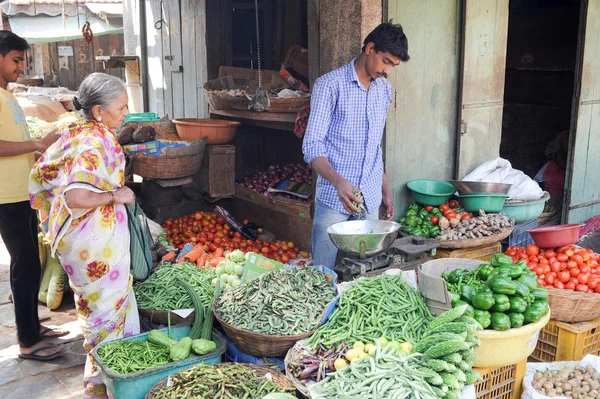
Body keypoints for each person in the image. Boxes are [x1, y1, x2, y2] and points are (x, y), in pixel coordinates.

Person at [29, 73, 140, 398]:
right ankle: (102, 387)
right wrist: (115, 196)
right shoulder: (96, 141)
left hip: (82, 243)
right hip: (95, 246)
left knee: (97, 315)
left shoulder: (76, 131)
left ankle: (107, 383)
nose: (125, 112)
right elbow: (77, 197)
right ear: (97, 111)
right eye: (121, 107)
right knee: (105, 320)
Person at [302, 22, 409, 268]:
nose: (388, 71)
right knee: (323, 271)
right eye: (386, 61)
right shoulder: (329, 85)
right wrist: (339, 183)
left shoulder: (384, 89)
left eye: (393, 65)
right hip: (333, 198)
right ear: (370, 48)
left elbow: (374, 146)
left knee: (366, 274)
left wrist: (385, 190)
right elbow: (312, 145)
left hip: (370, 197)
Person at [0, 30, 68, 362]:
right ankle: (27, 342)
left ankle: (33, 326)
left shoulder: (8, 95)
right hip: (4, 196)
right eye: (15, 60)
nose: (20, 67)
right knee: (24, 264)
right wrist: (38, 144)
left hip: (22, 192)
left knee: (30, 262)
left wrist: (41, 157)